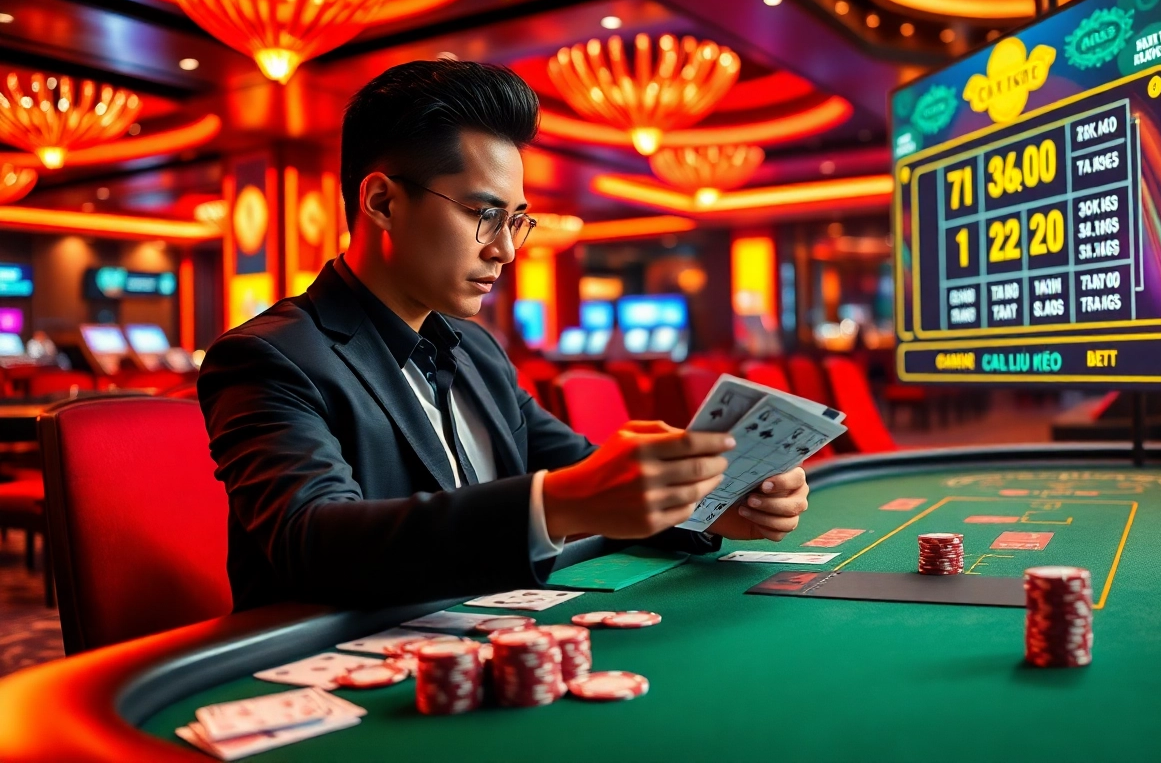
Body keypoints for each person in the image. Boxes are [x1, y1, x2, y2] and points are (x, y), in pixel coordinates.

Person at [198, 59, 810, 611]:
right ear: (382, 202)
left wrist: (704, 503)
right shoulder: (269, 357)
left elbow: (587, 476)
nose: (507, 249)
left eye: (517, 220)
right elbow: (313, 542)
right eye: (484, 215)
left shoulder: (478, 351)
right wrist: (561, 503)